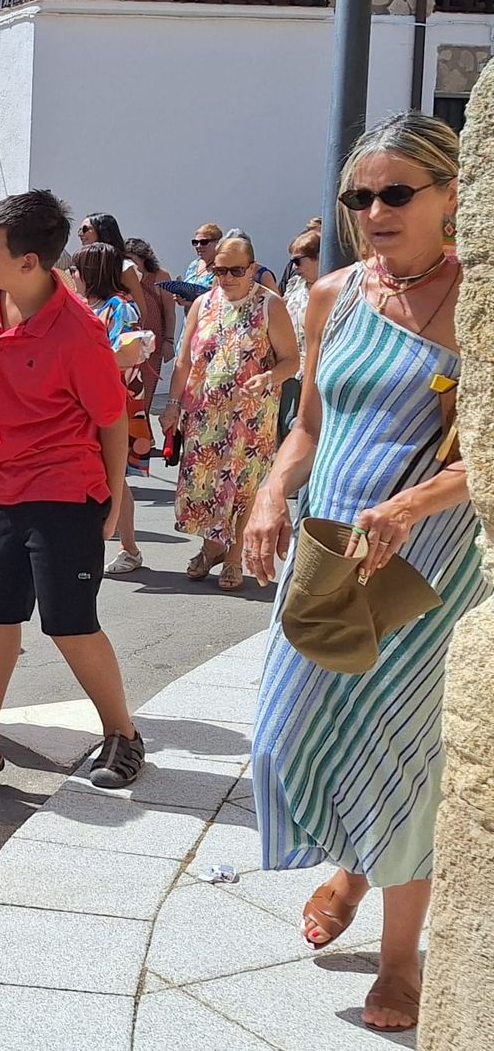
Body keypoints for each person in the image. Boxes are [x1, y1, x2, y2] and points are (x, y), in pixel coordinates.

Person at [244, 112, 484, 1034]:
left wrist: (413, 505)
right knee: (283, 736)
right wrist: (271, 494)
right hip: (327, 555)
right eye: (359, 196)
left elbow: (490, 451)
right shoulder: (333, 295)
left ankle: (398, 962)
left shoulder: (480, 302)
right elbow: (308, 424)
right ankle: (350, 863)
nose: (373, 211)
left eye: (395, 193)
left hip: (428, 569)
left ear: (450, 194)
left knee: (403, 753)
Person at [0, 190, 143, 795]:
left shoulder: (79, 333)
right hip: (0, 481)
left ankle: (123, 734)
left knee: (69, 623)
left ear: (31, 263)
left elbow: (111, 418)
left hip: (66, 491)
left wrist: (114, 495)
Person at [162, 236, 298, 590]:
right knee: (205, 485)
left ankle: (233, 556)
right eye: (219, 270)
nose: (226, 277)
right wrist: (172, 406)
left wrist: (268, 377)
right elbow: (185, 360)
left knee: (242, 485)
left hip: (249, 417)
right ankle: (212, 547)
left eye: (236, 270)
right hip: (205, 416)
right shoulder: (203, 304)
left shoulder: (271, 305)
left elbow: (292, 360)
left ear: (252, 268)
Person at [69, 241, 151, 578]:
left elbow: (128, 354)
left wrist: (83, 366)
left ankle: (128, 548)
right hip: (84, 401)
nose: (71, 276)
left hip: (114, 401)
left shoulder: (121, 307)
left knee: (115, 477)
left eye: (75, 269)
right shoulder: (85, 304)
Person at [276, 220, 322, 439]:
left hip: (316, 373)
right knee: (287, 425)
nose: (294, 267)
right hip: (291, 368)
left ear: (317, 259)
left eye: (298, 261)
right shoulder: (295, 285)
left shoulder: (330, 290)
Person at [124, 237, 174, 405]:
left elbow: (169, 311)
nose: (128, 264)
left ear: (144, 259)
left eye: (132, 259)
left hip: (154, 345)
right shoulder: (123, 279)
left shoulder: (160, 276)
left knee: (146, 396)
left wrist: (169, 340)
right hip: (129, 346)